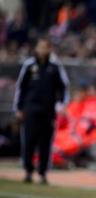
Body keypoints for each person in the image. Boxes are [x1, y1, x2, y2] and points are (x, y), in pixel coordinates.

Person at [13, 37, 70, 184]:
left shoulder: (55, 67)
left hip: (48, 110)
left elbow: (63, 87)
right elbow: (21, 88)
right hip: (30, 109)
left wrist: (62, 105)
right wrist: (19, 108)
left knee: (45, 143)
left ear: (50, 49)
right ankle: (28, 171)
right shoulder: (29, 65)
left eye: (45, 47)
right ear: (36, 48)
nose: (42, 50)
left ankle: (43, 173)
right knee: (29, 141)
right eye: (40, 47)